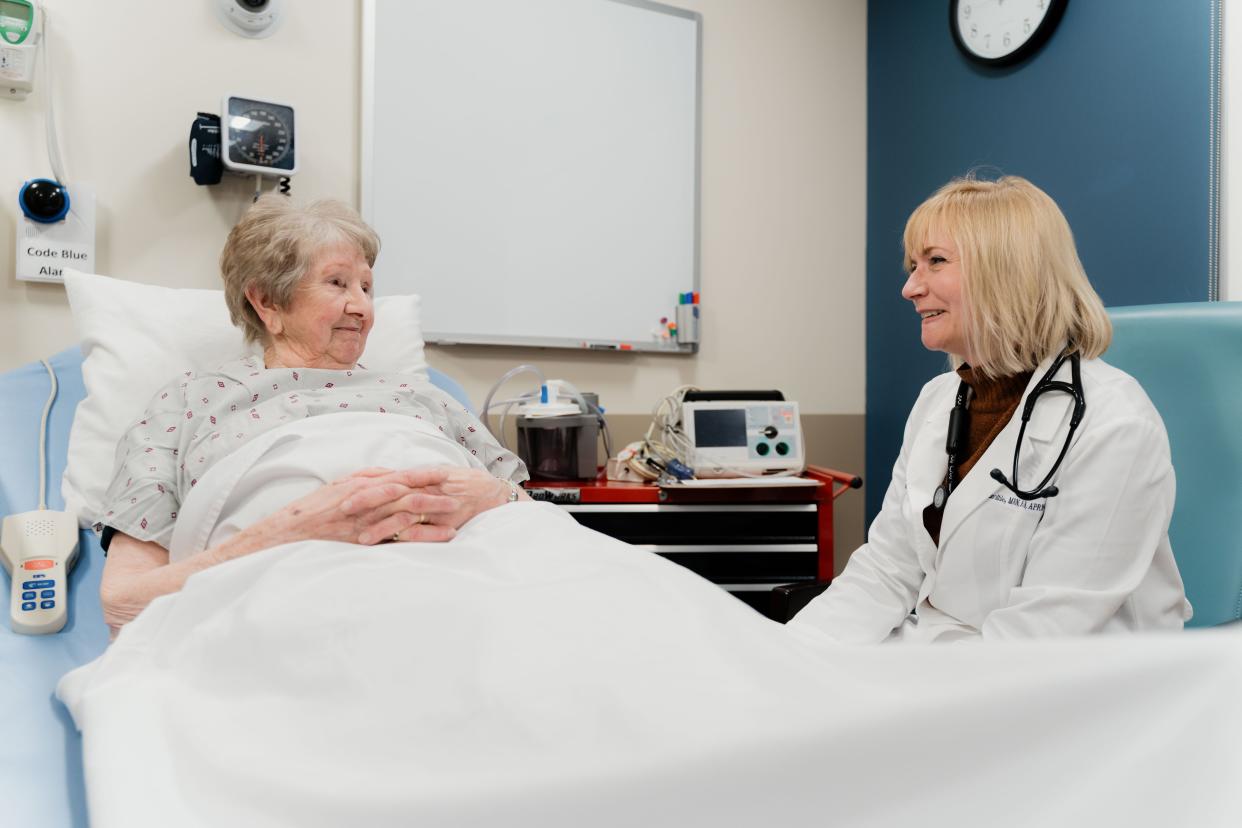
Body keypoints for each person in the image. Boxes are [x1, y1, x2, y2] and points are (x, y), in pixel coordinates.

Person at [98, 196, 529, 634]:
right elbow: (122, 606)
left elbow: (538, 529)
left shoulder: (422, 396)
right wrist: (290, 533)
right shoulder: (188, 402)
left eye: (366, 287)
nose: (361, 307)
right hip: (284, 605)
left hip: (459, 588)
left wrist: (497, 497)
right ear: (268, 303)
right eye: (338, 283)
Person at [790, 175, 1192, 644]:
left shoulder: (1114, 422)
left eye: (934, 262)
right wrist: (792, 657)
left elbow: (1044, 630)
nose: (909, 288)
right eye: (912, 266)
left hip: (1076, 688)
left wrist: (906, 690)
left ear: (1006, 270)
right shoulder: (939, 400)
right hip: (953, 661)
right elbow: (886, 571)